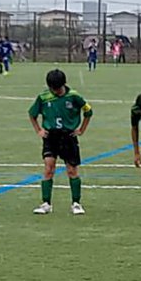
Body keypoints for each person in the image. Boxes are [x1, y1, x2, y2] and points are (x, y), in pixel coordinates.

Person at [29, 69, 92, 215]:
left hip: (68, 136)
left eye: (57, 88)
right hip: (51, 137)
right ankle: (46, 204)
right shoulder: (44, 97)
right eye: (53, 89)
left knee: (72, 170)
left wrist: (81, 129)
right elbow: (32, 114)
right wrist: (38, 130)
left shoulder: (74, 96)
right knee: (49, 168)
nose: (55, 91)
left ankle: (76, 203)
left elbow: (88, 112)